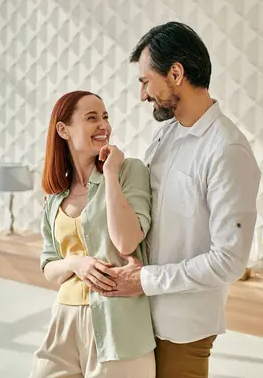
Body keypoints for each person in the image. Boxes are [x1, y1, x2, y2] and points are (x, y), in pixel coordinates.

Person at [98, 22, 262, 378]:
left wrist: (145, 280)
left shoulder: (227, 150)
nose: (142, 94)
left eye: (145, 81)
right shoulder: (165, 136)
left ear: (175, 73)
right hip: (141, 320)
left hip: (182, 328)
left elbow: (229, 261)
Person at [30, 90, 156, 378]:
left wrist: (110, 174)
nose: (104, 125)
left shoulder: (128, 171)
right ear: (63, 130)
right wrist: (76, 263)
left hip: (118, 326)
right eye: (91, 118)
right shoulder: (55, 197)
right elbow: (49, 266)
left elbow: (126, 240)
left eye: (105, 117)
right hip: (64, 321)